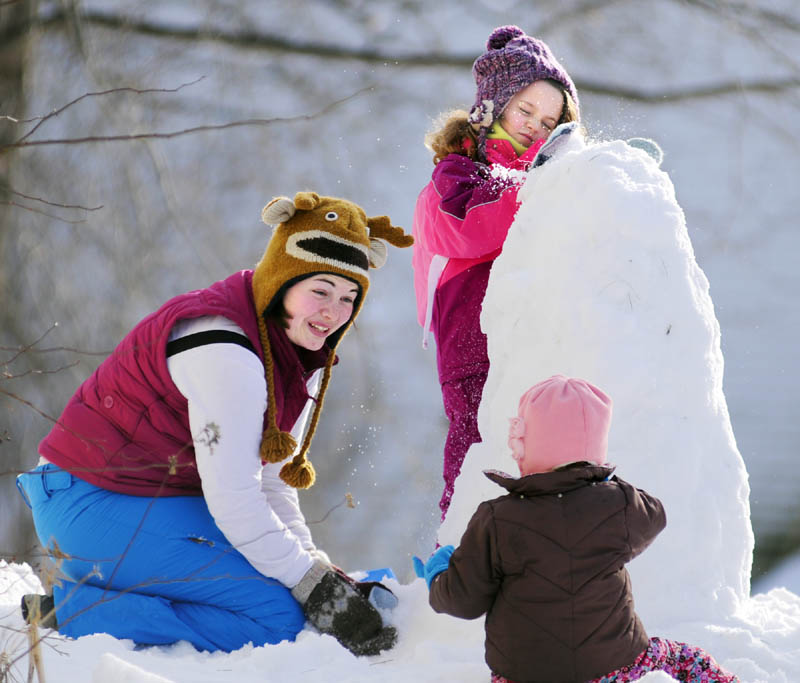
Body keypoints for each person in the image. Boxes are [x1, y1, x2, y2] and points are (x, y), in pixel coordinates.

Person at [16, 191, 413, 656]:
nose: (333, 312)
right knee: (277, 617)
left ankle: (123, 599)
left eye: (349, 298)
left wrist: (317, 572)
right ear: (283, 279)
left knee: (285, 583)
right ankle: (79, 610)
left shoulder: (296, 351)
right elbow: (236, 500)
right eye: (320, 291)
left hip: (151, 497)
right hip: (87, 501)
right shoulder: (226, 352)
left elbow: (270, 482)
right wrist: (311, 587)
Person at [414, 375, 740, 683]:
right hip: (613, 669)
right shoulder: (618, 505)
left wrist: (442, 577)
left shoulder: (497, 518)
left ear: (527, 444)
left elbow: (462, 601)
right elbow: (655, 514)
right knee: (687, 659)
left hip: (520, 676)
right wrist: (605, 479)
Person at [412, 25, 581, 519]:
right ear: (493, 107)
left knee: (534, 443)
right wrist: (543, 180)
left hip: (533, 331)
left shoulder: (546, 174)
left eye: (549, 121)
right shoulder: (457, 174)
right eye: (525, 110)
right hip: (472, 337)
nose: (534, 126)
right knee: (476, 440)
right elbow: (474, 226)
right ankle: (459, 539)